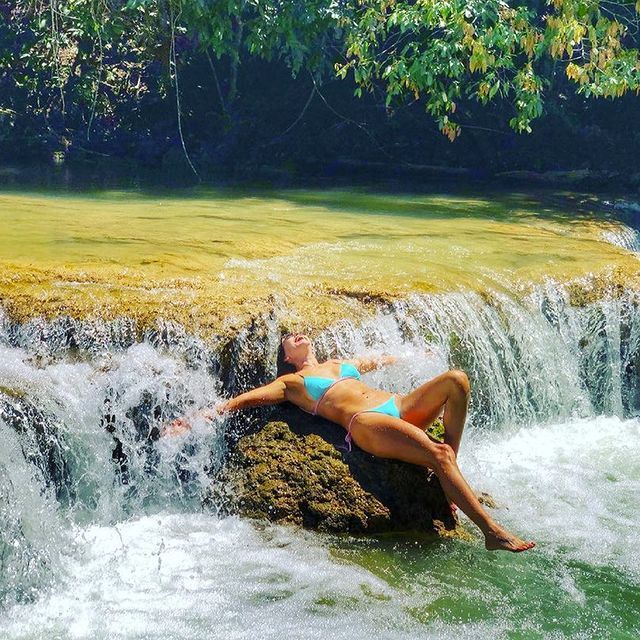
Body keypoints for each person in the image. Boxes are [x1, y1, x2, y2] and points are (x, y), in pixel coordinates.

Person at [164, 332, 535, 553]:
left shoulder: (342, 362)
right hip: (366, 423)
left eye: (298, 335)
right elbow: (244, 399)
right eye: (287, 341)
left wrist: (415, 354)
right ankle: (490, 531)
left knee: (456, 380)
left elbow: (383, 358)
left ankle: (449, 475)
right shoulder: (292, 384)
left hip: (398, 406)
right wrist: (195, 419)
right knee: (436, 454)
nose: (296, 336)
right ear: (287, 360)